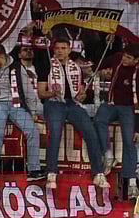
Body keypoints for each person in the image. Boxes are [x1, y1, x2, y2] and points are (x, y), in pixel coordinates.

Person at [40, 37, 108, 189]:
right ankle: (51, 173)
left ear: (69, 50)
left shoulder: (76, 68)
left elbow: (81, 91)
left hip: (73, 105)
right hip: (54, 103)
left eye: (63, 48)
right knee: (55, 132)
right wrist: (51, 93)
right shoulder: (47, 65)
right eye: (57, 48)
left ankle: (98, 174)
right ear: (53, 49)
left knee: (91, 132)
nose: (60, 51)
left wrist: (82, 95)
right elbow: (40, 93)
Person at [0, 43, 44, 186]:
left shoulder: (18, 68)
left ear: (2, 56)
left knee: (32, 131)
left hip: (16, 105)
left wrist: (33, 112)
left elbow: (28, 91)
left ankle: (33, 169)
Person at [96, 45, 139, 199]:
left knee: (129, 141)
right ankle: (108, 154)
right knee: (99, 120)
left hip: (129, 109)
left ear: (136, 60)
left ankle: (131, 183)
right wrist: (100, 71)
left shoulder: (137, 73)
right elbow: (99, 62)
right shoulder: (116, 58)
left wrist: (137, 128)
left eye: (128, 58)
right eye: (124, 56)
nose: (124, 59)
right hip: (111, 104)